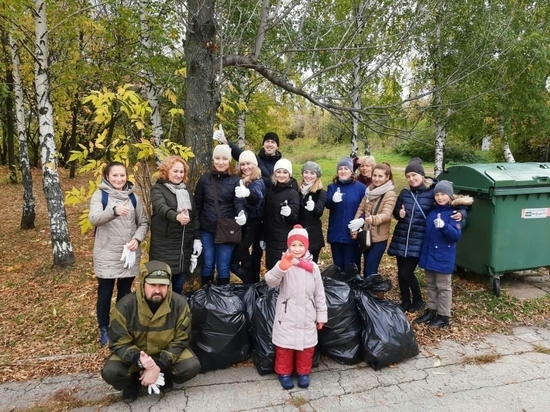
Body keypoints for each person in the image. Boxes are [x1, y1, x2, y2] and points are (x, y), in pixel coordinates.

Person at [101, 261, 200, 403]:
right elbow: (119, 341)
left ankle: (164, 373)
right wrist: (139, 361)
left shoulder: (180, 305)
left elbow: (181, 339)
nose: (158, 290)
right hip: (136, 358)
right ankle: (133, 379)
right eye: (153, 285)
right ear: (143, 285)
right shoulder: (125, 306)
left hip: (164, 355)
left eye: (162, 285)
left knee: (191, 366)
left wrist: (158, 367)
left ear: (169, 286)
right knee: (111, 372)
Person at [387, 158, 466, 313]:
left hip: (420, 239)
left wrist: (462, 213)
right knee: (400, 272)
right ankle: (405, 301)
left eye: (414, 175)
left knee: (406, 272)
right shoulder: (405, 193)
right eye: (408, 176)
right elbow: (397, 212)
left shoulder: (433, 192)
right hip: (402, 238)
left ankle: (418, 299)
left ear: (422, 175)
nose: (411, 178)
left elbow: (454, 202)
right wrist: (399, 213)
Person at [89, 161, 148, 346]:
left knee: (125, 293)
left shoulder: (133, 198)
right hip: (106, 253)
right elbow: (94, 219)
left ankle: (121, 326)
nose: (119, 179)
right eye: (115, 175)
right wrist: (113, 211)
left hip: (128, 254)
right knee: (105, 293)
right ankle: (104, 328)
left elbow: (143, 223)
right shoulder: (100, 196)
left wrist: (137, 240)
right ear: (107, 176)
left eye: (122, 175)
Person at [213, 126, 284, 277]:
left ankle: (255, 281)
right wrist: (226, 142)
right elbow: (243, 156)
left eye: (273, 142)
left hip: (267, 214)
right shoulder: (255, 161)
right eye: (267, 141)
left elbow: (284, 182)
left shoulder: (280, 164)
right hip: (250, 216)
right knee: (245, 253)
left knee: (258, 251)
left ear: (277, 145)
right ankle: (251, 282)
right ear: (263, 144)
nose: (270, 144)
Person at [265, 225, 327, 390]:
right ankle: (284, 373)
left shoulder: (313, 267)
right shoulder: (284, 263)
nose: (297, 249)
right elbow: (270, 281)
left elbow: (319, 293)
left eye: (300, 245)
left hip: (307, 314)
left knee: (306, 348)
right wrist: (281, 268)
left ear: (306, 246)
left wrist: (321, 316)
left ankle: (303, 372)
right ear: (288, 246)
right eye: (293, 245)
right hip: (288, 314)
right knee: (285, 347)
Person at [415, 181, 473, 327]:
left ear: (449, 195)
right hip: (429, 255)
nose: (440, 197)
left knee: (443, 287)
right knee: (431, 285)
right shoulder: (433, 212)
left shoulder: (454, 214)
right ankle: (432, 310)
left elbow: (456, 236)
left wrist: (445, 227)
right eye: (437, 195)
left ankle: (443, 315)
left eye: (443, 194)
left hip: (443, 256)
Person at [194, 144, 247, 286]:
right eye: (217, 158)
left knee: (223, 266)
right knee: (208, 264)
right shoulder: (204, 179)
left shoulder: (235, 180)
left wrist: (243, 214)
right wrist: (196, 234)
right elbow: (197, 206)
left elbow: (239, 203)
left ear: (229, 161)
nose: (220, 162)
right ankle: (206, 294)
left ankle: (223, 297)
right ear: (213, 159)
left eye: (224, 158)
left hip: (227, 229)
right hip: (207, 229)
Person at [149, 155, 201, 295]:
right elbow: (161, 208)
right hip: (165, 245)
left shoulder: (186, 191)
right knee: (161, 285)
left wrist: (197, 238)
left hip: (184, 246)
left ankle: (175, 312)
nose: (179, 175)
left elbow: (194, 216)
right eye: (175, 171)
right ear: (166, 172)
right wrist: (176, 216)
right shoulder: (158, 189)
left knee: (178, 284)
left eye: (181, 172)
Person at [348, 163, 397, 277]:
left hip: (378, 239)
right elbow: (360, 209)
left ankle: (373, 294)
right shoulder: (369, 191)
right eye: (374, 175)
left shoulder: (389, 194)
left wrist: (372, 219)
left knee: (370, 271)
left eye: (380, 176)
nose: (376, 179)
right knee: (363, 271)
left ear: (387, 177)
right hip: (366, 236)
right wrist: (354, 228)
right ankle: (365, 293)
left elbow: (386, 214)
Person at [230, 150, 266, 284]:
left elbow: (257, 198)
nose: (246, 167)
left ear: (255, 164)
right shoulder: (241, 180)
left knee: (233, 262)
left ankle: (252, 283)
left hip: (252, 226)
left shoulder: (257, 182)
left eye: (248, 164)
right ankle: (250, 287)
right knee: (245, 259)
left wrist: (248, 194)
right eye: (242, 164)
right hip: (242, 226)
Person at [325, 157, 366, 270]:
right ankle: (340, 287)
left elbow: (366, 208)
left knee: (351, 266)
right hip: (336, 232)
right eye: (340, 169)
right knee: (338, 266)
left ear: (352, 171)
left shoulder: (360, 188)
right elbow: (327, 204)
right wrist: (332, 200)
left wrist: (361, 220)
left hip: (352, 233)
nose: (343, 171)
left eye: (346, 168)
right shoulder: (332, 187)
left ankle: (352, 287)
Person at [263, 158, 300, 270]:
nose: (281, 175)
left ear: (289, 174)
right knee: (271, 269)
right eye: (278, 172)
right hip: (270, 237)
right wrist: (262, 236)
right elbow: (265, 216)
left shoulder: (292, 192)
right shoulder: (271, 190)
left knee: (283, 269)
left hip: (284, 238)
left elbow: (295, 218)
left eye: (285, 172)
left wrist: (290, 213)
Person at [298, 161, 327, 263]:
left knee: (310, 267)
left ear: (317, 176)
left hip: (313, 237)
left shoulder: (321, 193)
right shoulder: (296, 191)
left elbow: (319, 212)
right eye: (306, 172)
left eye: (312, 173)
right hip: (297, 236)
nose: (308, 176)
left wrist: (313, 208)